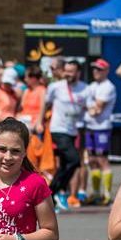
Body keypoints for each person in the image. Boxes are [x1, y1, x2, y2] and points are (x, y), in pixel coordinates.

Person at [37, 60, 87, 210]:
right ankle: (58, 191)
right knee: (74, 159)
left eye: (72, 71)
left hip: (73, 129)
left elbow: (89, 106)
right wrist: (39, 122)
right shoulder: (56, 87)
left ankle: (50, 194)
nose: (68, 74)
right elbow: (45, 104)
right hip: (58, 129)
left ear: (78, 72)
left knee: (66, 164)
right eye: (66, 71)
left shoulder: (85, 88)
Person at [84, 59, 117, 205]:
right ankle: (96, 193)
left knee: (102, 160)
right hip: (90, 127)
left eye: (99, 69)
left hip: (102, 127)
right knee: (91, 160)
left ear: (106, 71)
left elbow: (97, 110)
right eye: (94, 69)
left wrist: (88, 108)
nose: (96, 71)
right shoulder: (92, 86)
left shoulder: (108, 87)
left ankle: (107, 195)